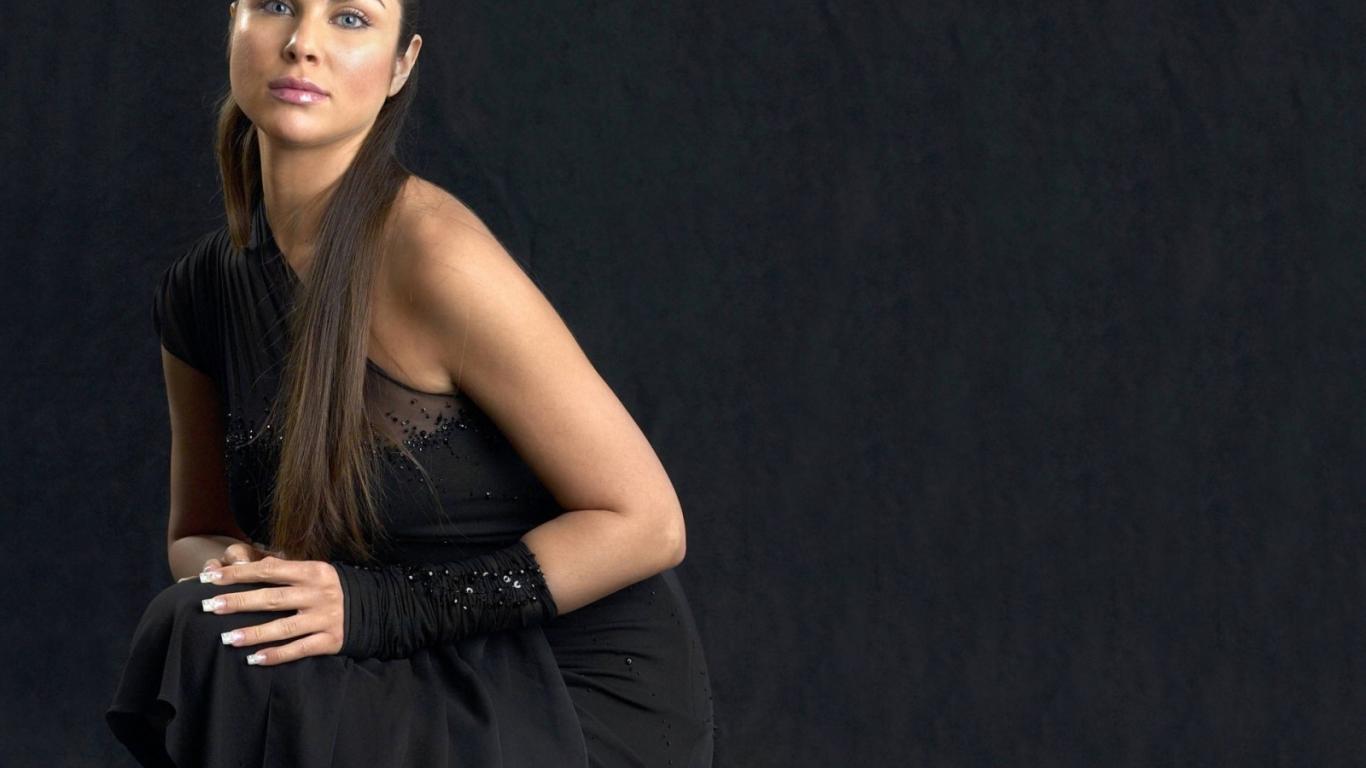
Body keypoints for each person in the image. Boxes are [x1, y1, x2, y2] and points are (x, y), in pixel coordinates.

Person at [105, 1, 715, 765]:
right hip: (391, 662)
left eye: (350, 19)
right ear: (235, 21)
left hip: (564, 685)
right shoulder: (197, 292)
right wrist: (242, 576)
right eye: (277, 6)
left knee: (215, 642)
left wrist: (371, 608)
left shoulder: (434, 254)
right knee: (207, 626)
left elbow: (648, 523)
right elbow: (195, 533)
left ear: (401, 65)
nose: (302, 44)